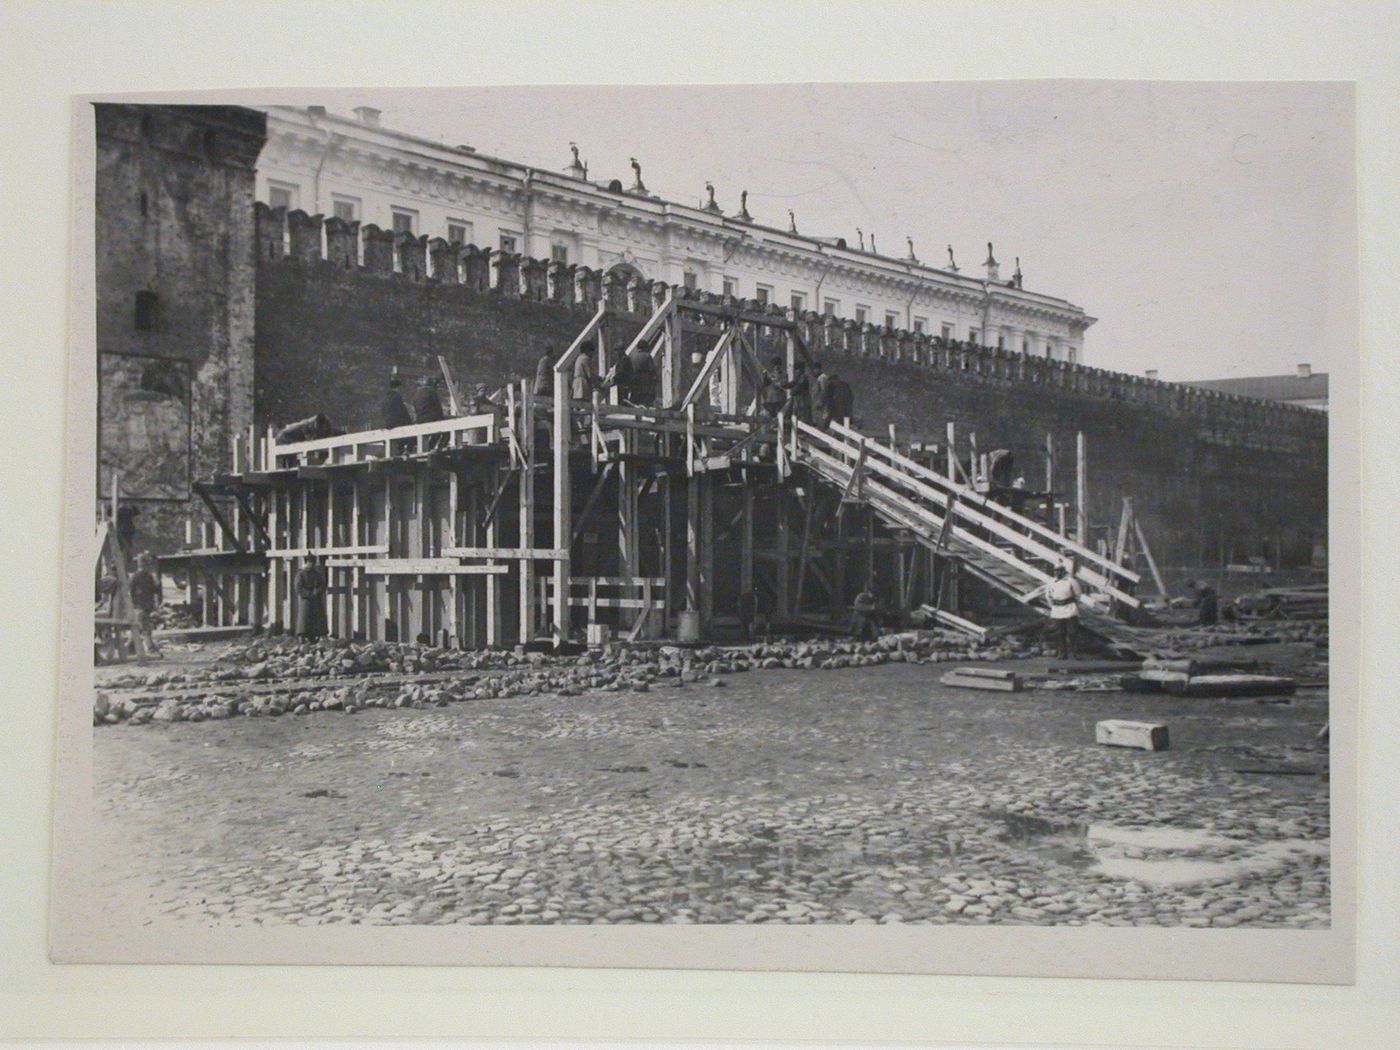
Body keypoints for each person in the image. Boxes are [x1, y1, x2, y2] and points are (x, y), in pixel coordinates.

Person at [1045, 559, 1082, 660]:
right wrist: (1053, 605)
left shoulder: (1071, 581)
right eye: (1056, 570)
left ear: (1064, 571)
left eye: (1059, 570)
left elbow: (1078, 595)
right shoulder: (1051, 582)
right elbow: (1048, 596)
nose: (1057, 572)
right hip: (1057, 610)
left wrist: (1072, 603)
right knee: (1059, 633)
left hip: (1069, 609)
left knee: (1072, 632)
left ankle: (1075, 653)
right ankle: (1062, 653)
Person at [128, 552, 162, 655]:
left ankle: (131, 647)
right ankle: (150, 647)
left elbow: (154, 590)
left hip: (143, 605)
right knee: (144, 627)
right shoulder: (138, 576)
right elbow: (130, 591)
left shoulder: (145, 576)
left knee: (139, 626)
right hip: (140, 605)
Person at [294, 556, 328, 640]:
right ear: (306, 562)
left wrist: (318, 591)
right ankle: (302, 635)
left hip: (316, 599)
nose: (312, 564)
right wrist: (309, 594)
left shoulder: (316, 574)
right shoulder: (301, 574)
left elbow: (323, 584)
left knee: (317, 619)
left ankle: (316, 635)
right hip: (306, 600)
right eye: (310, 562)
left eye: (313, 562)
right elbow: (298, 587)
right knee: (304, 618)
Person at [413, 375, 446, 449]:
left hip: (420, 419)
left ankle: (429, 447)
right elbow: (438, 408)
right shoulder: (432, 392)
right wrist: (442, 419)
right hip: (431, 419)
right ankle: (437, 447)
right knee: (445, 430)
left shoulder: (417, 393)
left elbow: (415, 407)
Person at [782, 359, 813, 423]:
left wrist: (792, 392)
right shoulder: (797, 377)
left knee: (802, 413)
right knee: (794, 411)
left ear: (801, 370)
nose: (796, 371)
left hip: (803, 399)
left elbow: (799, 387)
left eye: (797, 370)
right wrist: (783, 385)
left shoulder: (803, 377)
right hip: (798, 399)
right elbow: (792, 383)